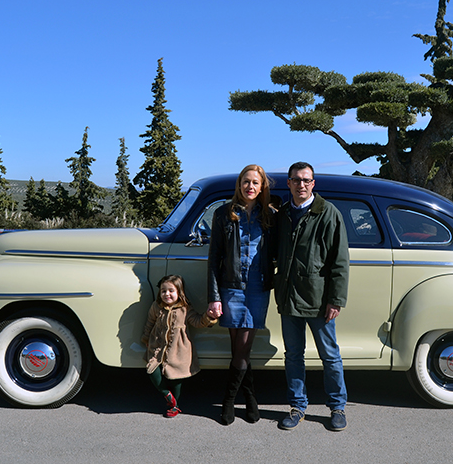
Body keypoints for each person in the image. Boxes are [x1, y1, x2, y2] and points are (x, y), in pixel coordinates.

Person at [274, 161, 349, 431]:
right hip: (289, 297)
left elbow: (340, 261)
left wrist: (336, 299)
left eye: (306, 180)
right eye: (296, 180)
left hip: (319, 300)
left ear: (313, 183)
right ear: (289, 183)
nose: (301, 184)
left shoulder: (328, 214)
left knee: (330, 355)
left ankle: (337, 407)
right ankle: (297, 406)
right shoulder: (282, 214)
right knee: (293, 355)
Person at [207, 164, 275, 425]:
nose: (250, 187)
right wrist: (214, 296)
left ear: (262, 187)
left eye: (255, 183)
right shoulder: (224, 214)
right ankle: (250, 400)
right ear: (239, 184)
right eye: (246, 182)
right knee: (239, 349)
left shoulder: (269, 215)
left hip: (258, 288)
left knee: (242, 348)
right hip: (231, 287)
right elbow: (214, 258)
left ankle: (228, 401)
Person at [142, 274, 217, 418]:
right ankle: (166, 394)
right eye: (163, 291)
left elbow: (197, 322)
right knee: (152, 371)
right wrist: (146, 337)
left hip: (178, 350)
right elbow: (149, 322)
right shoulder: (156, 307)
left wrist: (209, 316)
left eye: (171, 291)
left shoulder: (185, 309)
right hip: (157, 347)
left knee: (176, 379)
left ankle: (175, 405)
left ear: (179, 292)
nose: (167, 294)